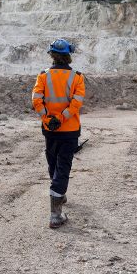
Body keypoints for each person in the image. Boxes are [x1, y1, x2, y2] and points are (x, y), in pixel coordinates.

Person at [32, 38, 85, 228]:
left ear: (52, 55)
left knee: (53, 164)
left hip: (50, 130)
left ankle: (58, 194)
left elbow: (37, 101)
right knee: (62, 168)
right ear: (68, 55)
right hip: (69, 130)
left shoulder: (43, 76)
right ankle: (55, 215)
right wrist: (61, 118)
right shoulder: (77, 77)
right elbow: (76, 103)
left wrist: (48, 119)